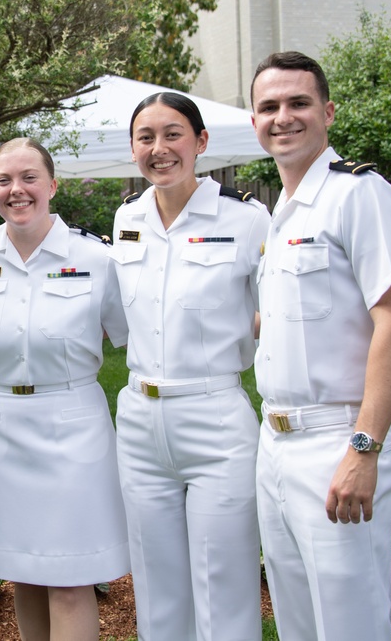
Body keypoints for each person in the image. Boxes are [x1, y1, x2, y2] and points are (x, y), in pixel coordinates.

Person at [249, 51, 391, 641]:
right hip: (275, 444)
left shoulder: (359, 195)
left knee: (352, 625)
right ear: (254, 122)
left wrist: (363, 448)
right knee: (298, 623)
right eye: (269, 106)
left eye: (298, 103)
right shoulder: (280, 211)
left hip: (338, 440)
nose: (283, 117)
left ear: (328, 111)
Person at [0, 138, 130, 641]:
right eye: (3, 180)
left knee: (70, 580)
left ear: (52, 185)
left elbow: (135, 337)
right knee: (23, 573)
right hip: (1, 426)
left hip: (73, 426)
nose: (17, 190)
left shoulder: (96, 258)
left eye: (29, 178)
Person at [109, 92, 270, 641]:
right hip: (138, 420)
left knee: (223, 582)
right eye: (145, 137)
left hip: (215, 416)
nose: (159, 149)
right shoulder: (126, 218)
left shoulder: (246, 218)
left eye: (173, 134)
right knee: (156, 587)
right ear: (132, 149)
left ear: (201, 142)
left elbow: (276, 313)